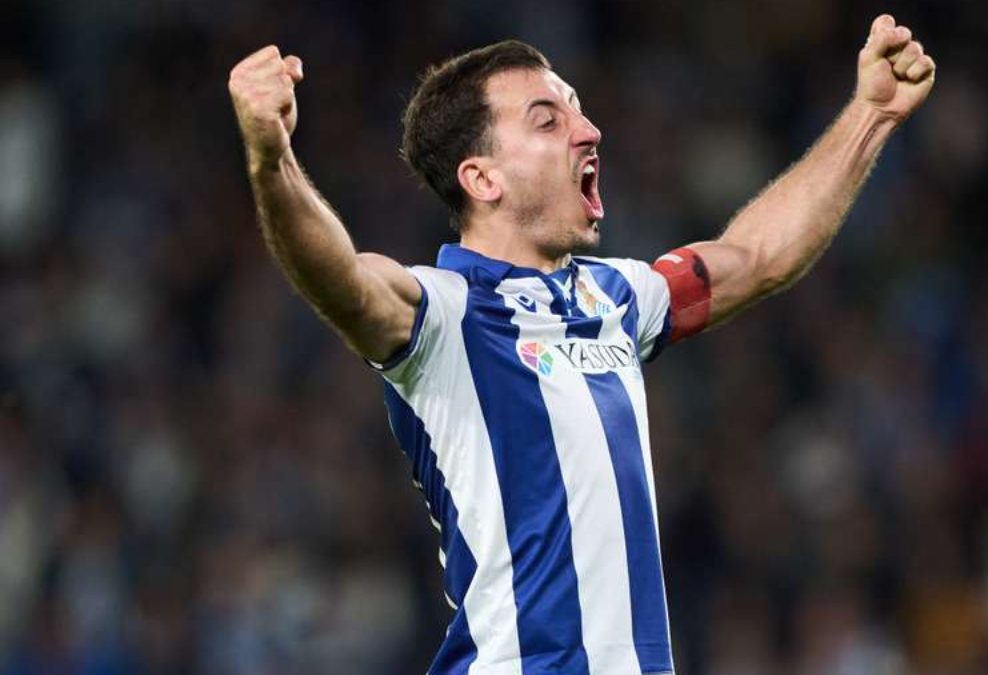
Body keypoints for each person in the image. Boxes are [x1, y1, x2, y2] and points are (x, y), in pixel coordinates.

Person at [228, 13, 934, 675]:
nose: (589, 130)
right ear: (482, 177)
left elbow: (756, 256)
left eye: (578, 108)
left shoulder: (617, 298)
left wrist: (869, 115)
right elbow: (341, 281)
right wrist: (271, 159)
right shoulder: (444, 314)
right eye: (548, 119)